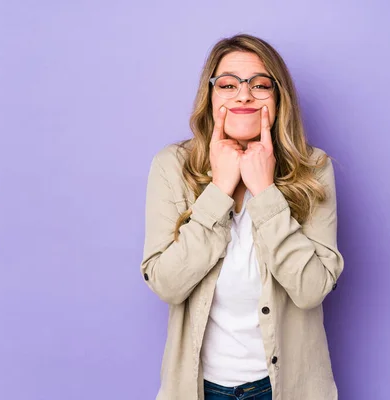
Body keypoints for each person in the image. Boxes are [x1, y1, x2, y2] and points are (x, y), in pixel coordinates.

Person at [140, 33, 344, 400]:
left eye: (260, 84)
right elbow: (167, 285)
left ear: (279, 99)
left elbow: (312, 289)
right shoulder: (172, 167)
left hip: (288, 389)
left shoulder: (315, 169)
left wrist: (265, 192)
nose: (244, 95)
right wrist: (218, 191)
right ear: (211, 96)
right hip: (200, 390)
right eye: (229, 84)